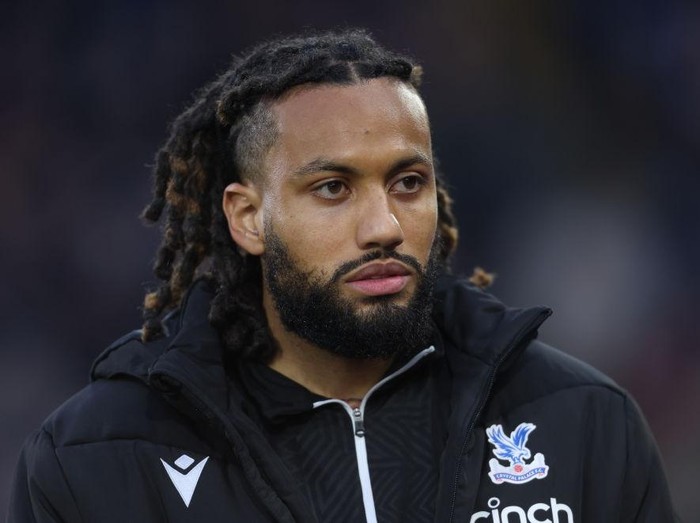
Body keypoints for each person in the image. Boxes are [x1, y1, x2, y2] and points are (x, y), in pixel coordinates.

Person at [8, 29, 678, 523]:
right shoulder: (98, 459)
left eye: (408, 182)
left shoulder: (581, 421)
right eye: (332, 188)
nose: (384, 224)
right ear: (247, 217)